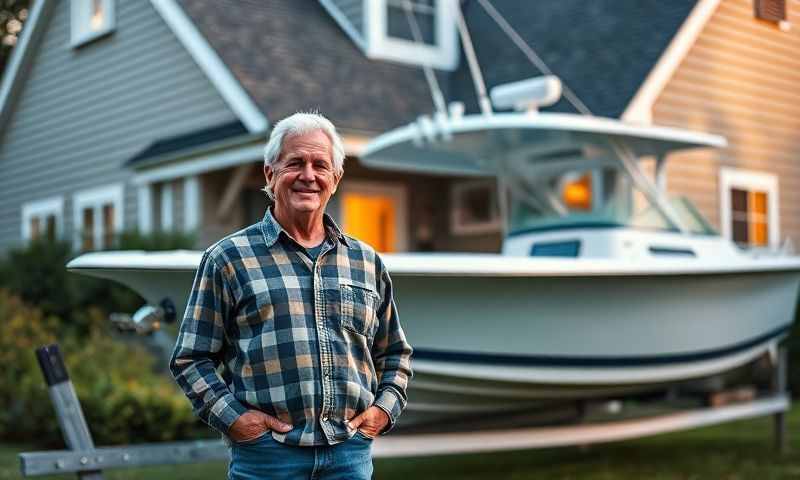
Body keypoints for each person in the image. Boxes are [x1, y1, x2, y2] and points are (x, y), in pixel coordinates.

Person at [169, 112, 413, 480]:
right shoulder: (227, 259)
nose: (308, 175)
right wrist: (236, 420)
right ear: (270, 174)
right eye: (295, 163)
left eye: (320, 165)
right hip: (267, 459)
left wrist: (382, 413)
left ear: (336, 179)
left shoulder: (366, 261)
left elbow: (394, 353)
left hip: (349, 456)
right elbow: (191, 357)